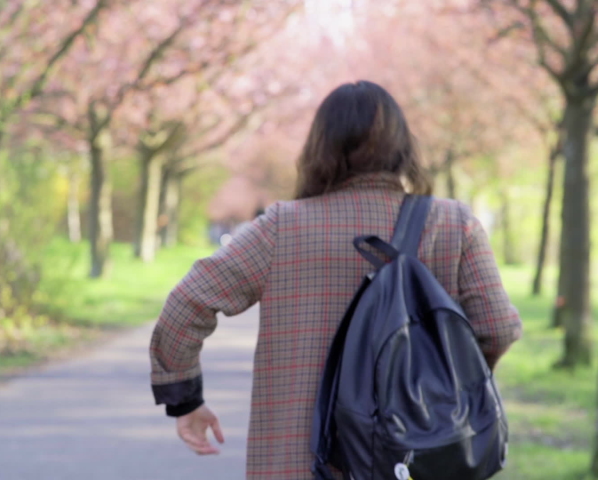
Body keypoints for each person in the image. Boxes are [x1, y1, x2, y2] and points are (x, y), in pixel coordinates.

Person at [149, 80, 522, 479]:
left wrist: (184, 399)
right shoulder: (454, 224)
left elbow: (188, 302)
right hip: (417, 464)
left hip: (299, 465)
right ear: (403, 145)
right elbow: (497, 328)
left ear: (319, 147)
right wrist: (440, 382)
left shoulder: (282, 228)